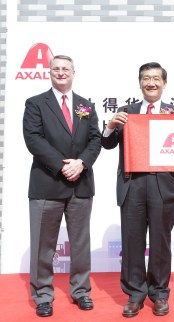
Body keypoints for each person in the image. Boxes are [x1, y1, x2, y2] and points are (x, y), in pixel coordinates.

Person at [101, 62, 174, 317]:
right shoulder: (125, 112)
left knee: (161, 243)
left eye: (156, 78)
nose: (150, 82)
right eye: (145, 78)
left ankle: (160, 294)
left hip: (164, 186)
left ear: (164, 83)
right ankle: (135, 295)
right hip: (133, 185)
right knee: (132, 243)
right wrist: (110, 126)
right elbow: (107, 144)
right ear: (139, 83)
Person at [23, 55, 101, 317]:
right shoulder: (35, 104)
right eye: (55, 68)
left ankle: (81, 292)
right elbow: (33, 139)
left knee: (80, 244)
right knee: (43, 245)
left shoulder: (86, 106)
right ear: (49, 73)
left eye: (65, 68)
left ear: (73, 72)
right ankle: (43, 295)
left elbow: (95, 140)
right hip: (47, 184)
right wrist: (61, 165)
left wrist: (81, 164)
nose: (60, 72)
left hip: (81, 184)